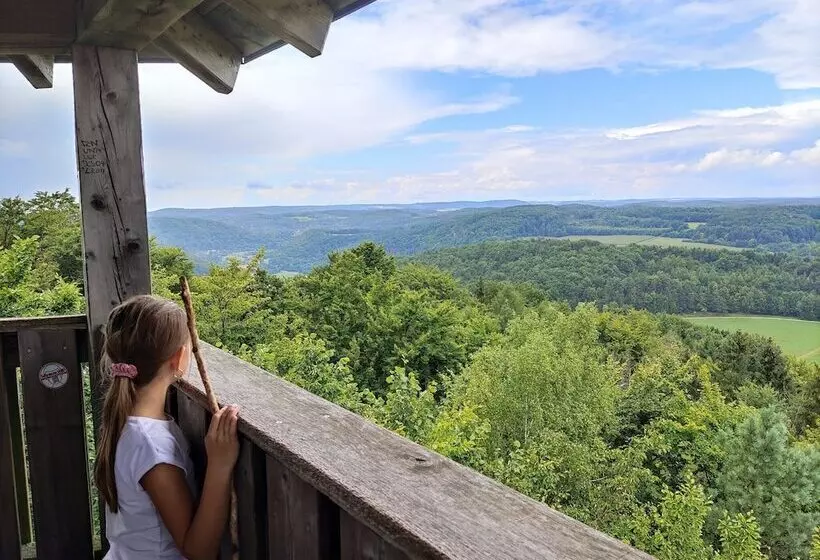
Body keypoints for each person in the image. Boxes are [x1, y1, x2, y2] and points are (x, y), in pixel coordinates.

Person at [94, 294, 239, 560]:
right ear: (180, 358)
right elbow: (198, 551)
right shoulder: (151, 448)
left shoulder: (125, 420)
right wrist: (220, 465)